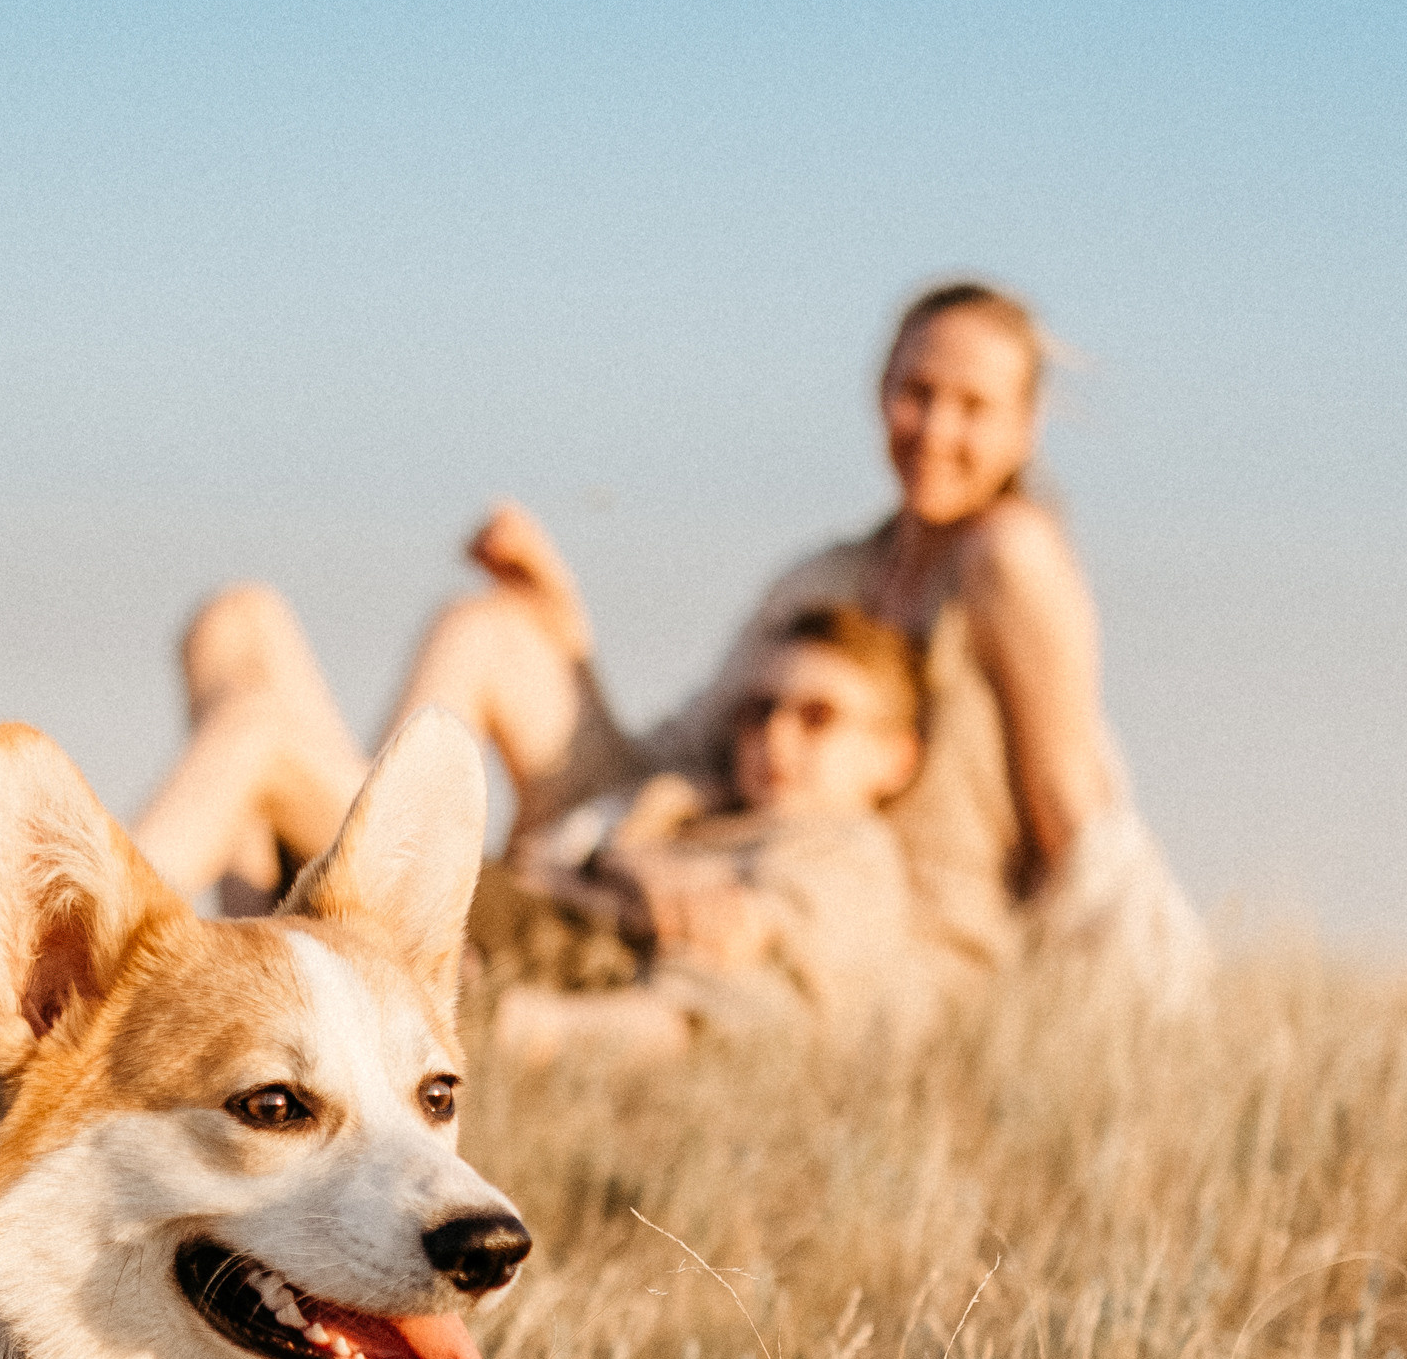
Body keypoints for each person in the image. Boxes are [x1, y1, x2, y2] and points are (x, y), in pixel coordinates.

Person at [129, 279, 1207, 1010]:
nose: (937, 426)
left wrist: (1148, 1004)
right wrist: (566, 629)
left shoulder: (1010, 559)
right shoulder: (826, 575)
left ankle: (128, 956)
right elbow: (683, 754)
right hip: (695, 843)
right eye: (916, 391)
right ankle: (310, 939)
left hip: (852, 921)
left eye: (975, 404)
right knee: (253, 624)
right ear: (880, 394)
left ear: (1024, 429)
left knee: (267, 733)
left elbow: (1075, 810)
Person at [492, 603, 942, 1068]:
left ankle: (513, 1028)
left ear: (896, 759)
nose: (776, 736)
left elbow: (729, 926)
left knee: (762, 1006)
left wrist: (633, 876)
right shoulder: (687, 807)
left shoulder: (855, 846)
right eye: (758, 712)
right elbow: (540, 860)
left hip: (695, 1010)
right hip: (570, 947)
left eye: (817, 716)